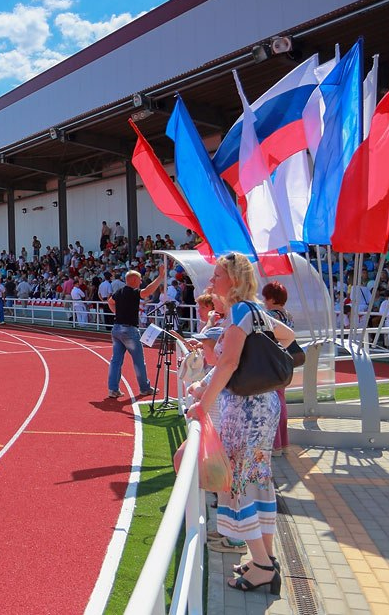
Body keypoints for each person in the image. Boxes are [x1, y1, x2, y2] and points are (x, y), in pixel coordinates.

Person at [185, 253, 295, 594]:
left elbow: (228, 363)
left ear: (232, 280)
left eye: (217, 275)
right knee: (256, 480)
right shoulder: (256, 310)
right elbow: (287, 336)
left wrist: (202, 405)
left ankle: (261, 565)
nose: (212, 280)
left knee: (240, 483)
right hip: (262, 407)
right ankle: (265, 558)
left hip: (246, 412)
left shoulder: (240, 313)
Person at [105, 261, 166, 398]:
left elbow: (110, 302)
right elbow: (148, 292)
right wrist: (160, 277)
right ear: (133, 280)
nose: (140, 281)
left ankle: (113, 389)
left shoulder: (119, 292)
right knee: (138, 361)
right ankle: (144, 388)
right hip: (129, 330)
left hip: (117, 328)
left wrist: (117, 313)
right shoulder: (133, 292)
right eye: (139, 279)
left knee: (116, 360)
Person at [261, 281, 293, 456]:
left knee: (272, 405)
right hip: (285, 361)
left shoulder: (270, 316)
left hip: (271, 362)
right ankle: (283, 443)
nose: (264, 300)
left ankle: (276, 445)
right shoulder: (288, 315)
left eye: (266, 297)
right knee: (281, 402)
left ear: (272, 298)